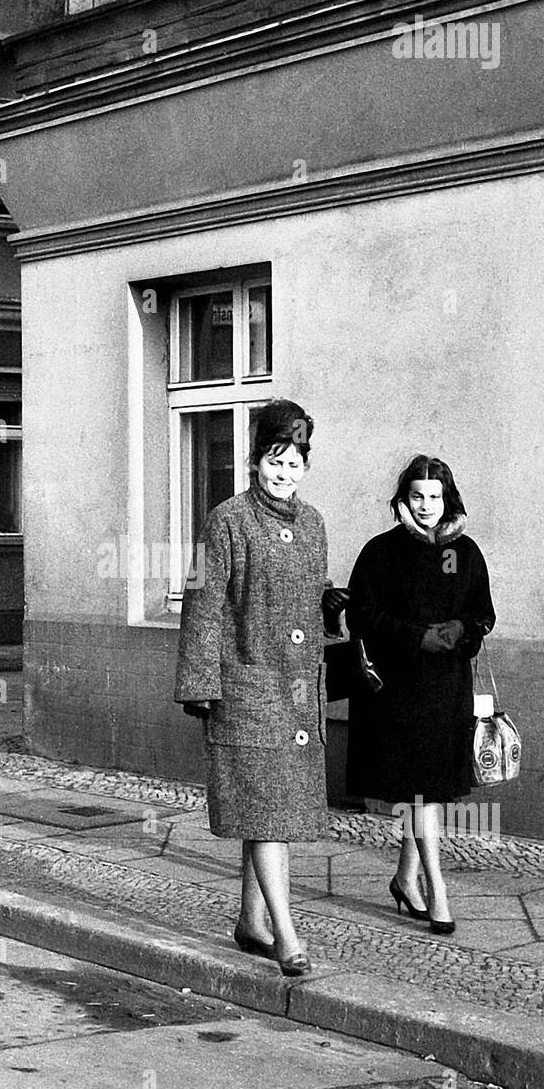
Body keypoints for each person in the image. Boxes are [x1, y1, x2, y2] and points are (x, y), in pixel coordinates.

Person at [174, 399, 333, 978]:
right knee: (267, 814)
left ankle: (250, 920)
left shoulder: (313, 522)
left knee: (269, 814)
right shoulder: (227, 520)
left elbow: (311, 590)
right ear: (255, 460)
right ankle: (286, 935)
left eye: (295, 462)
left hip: (296, 695)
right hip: (247, 690)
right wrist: (200, 682)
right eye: (274, 459)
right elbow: (204, 603)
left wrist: (331, 601)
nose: (284, 472)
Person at [345, 455, 496, 935]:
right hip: (399, 691)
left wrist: (460, 630)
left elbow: (483, 614)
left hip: (448, 689)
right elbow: (362, 616)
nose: (427, 506)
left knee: (424, 791)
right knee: (423, 793)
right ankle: (438, 891)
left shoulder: (465, 552)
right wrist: (417, 637)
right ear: (403, 499)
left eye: (435, 496)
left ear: (447, 498)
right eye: (417, 496)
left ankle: (404, 878)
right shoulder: (382, 551)